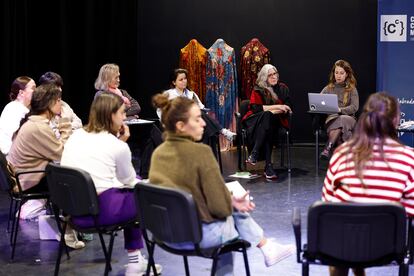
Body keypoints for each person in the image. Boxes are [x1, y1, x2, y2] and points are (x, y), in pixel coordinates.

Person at [150, 94, 294, 276]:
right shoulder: (200, 153)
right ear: (180, 126)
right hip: (194, 236)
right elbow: (219, 208)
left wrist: (229, 202)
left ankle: (266, 246)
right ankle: (265, 245)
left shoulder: (159, 153)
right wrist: (232, 204)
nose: (203, 124)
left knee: (231, 205)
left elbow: (184, 194)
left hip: (165, 233)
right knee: (231, 218)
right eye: (197, 119)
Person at [60, 92, 162, 275]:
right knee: (141, 192)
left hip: (74, 213)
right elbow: (129, 180)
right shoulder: (117, 146)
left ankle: (136, 260)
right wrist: (121, 143)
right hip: (101, 212)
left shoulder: (76, 136)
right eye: (123, 113)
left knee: (133, 189)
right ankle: (135, 261)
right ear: (110, 115)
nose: (125, 117)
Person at [322, 92, 414, 276]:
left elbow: (328, 203)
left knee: (348, 232)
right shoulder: (409, 158)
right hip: (386, 247)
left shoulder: (341, 153)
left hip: (342, 245)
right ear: (396, 120)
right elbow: (410, 210)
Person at [7, 84, 84, 249]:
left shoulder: (35, 122)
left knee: (65, 175)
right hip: (27, 180)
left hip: (25, 175)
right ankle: (70, 228)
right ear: (49, 104)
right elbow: (62, 153)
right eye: (58, 100)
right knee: (72, 181)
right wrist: (65, 127)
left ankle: (68, 223)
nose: (61, 104)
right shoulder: (38, 127)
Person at [158, 68, 236, 143]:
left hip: (193, 122)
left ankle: (204, 151)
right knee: (202, 120)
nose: (184, 81)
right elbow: (160, 110)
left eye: (185, 78)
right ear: (174, 82)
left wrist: (205, 111)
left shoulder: (191, 94)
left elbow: (201, 107)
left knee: (203, 121)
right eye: (181, 80)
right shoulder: (168, 94)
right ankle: (223, 131)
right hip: (178, 122)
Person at [242, 64, 292, 179]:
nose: (274, 77)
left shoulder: (283, 88)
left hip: (276, 121)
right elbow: (256, 109)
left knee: (268, 120)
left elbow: (288, 107)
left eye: (275, 74)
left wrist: (273, 110)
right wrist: (278, 107)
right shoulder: (259, 88)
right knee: (267, 118)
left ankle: (255, 153)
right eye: (270, 75)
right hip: (256, 120)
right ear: (264, 77)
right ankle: (268, 167)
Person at [319, 59, 359, 159]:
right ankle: (347, 158)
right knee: (342, 132)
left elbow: (354, 107)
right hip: (331, 120)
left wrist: (340, 110)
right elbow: (319, 102)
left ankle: (328, 148)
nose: (338, 75)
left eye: (341, 73)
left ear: (347, 74)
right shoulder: (328, 88)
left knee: (342, 119)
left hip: (349, 119)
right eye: (336, 72)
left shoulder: (352, 89)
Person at [0, 76, 36, 155]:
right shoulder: (15, 109)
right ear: (21, 93)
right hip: (11, 158)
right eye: (33, 88)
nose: (36, 91)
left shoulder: (16, 107)